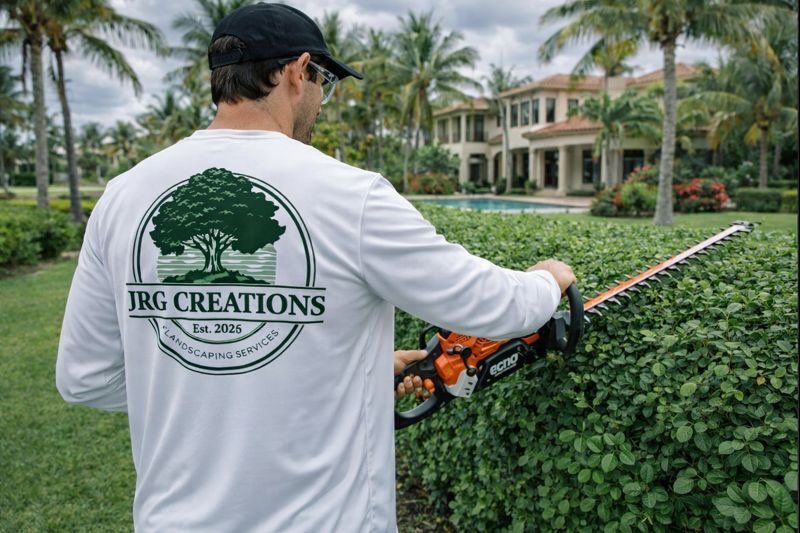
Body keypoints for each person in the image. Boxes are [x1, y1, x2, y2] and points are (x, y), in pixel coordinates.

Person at [55, 2, 576, 531]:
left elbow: (86, 379)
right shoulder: (351, 196)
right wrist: (546, 281)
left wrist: (211, 384)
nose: (322, 99)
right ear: (296, 72)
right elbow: (490, 304)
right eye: (324, 79)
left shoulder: (121, 199)